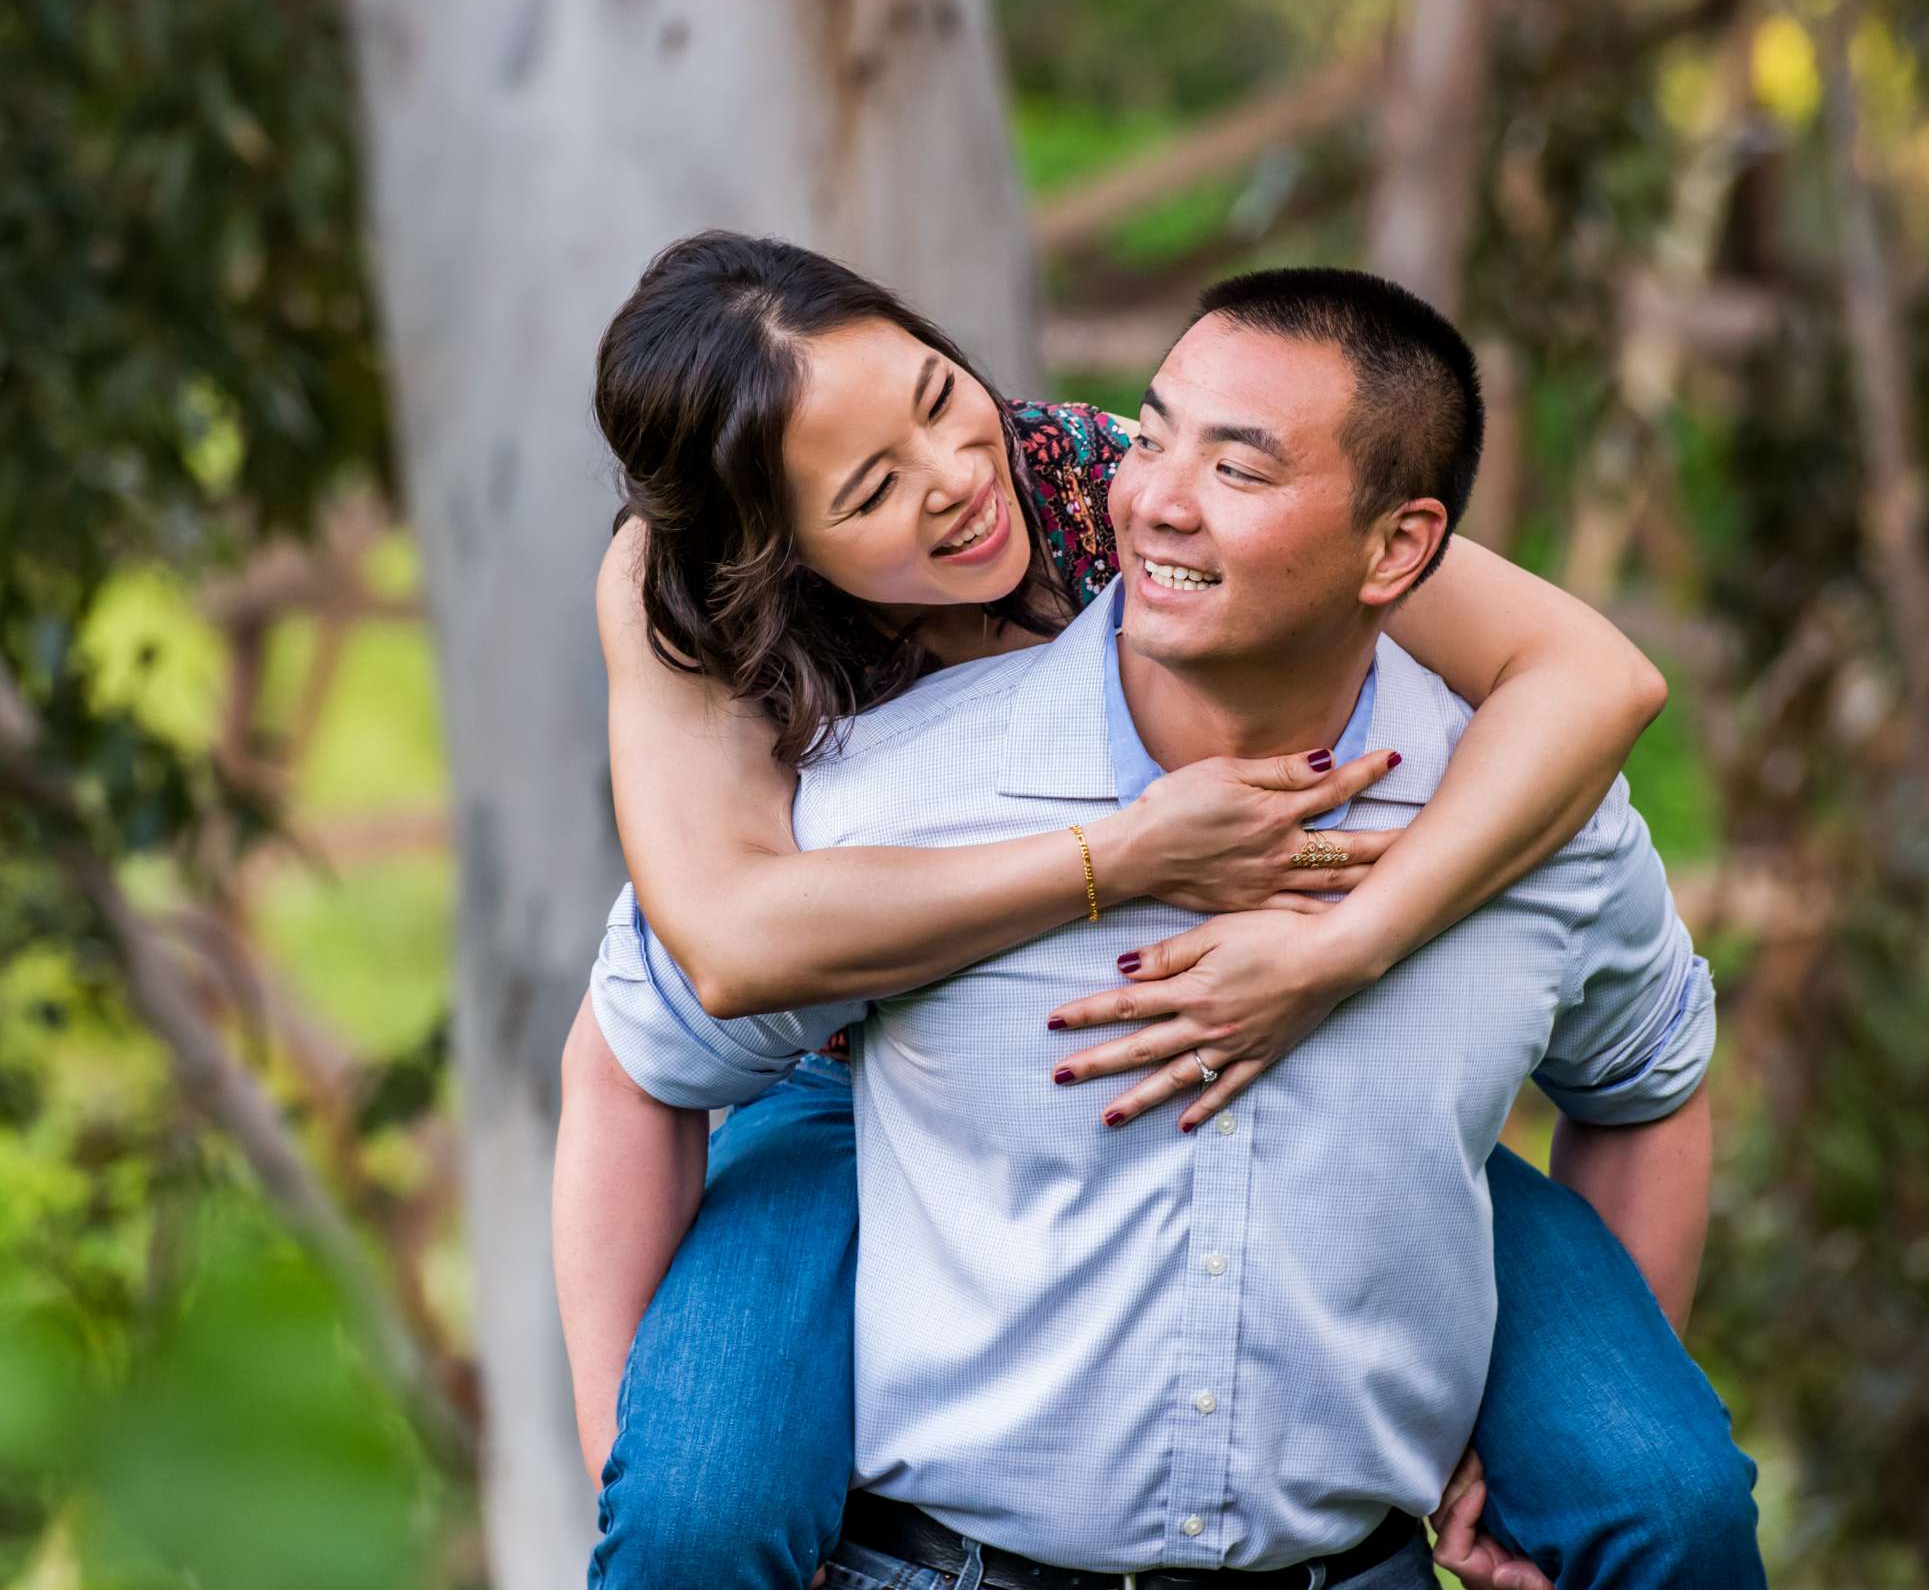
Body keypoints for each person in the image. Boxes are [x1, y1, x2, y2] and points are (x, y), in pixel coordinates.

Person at [554, 236, 1760, 1585]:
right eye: (874, 490)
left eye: (946, 400)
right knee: (690, 1513)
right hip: (862, 1067)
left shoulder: (1116, 471)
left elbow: (1590, 677)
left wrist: (1346, 948)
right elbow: (719, 953)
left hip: (1315, 1067)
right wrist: (1117, 858)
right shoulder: (694, 608)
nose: (957, 482)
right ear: (770, 541)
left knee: (1664, 1492)